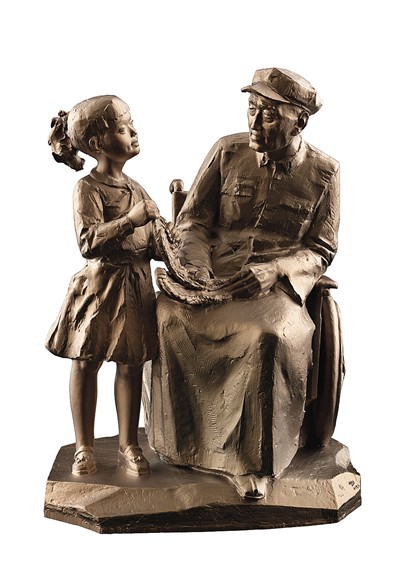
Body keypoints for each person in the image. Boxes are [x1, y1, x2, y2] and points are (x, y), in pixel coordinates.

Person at [147, 68, 340, 499]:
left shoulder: (324, 172)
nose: (254, 122)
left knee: (265, 338)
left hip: (275, 288)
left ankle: (254, 463)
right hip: (212, 274)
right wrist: (196, 269)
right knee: (166, 316)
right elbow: (192, 222)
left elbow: (322, 248)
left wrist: (278, 269)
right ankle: (179, 447)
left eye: (269, 115)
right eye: (251, 109)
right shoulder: (227, 151)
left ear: (298, 121)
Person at [46, 95, 160, 477]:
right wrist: (130, 220)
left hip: (136, 286)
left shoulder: (137, 189)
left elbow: (157, 239)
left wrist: (171, 225)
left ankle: (128, 444)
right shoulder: (87, 188)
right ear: (97, 143)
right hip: (100, 289)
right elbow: (88, 241)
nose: (135, 132)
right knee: (86, 362)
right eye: (125, 128)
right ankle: (84, 446)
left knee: (131, 365)